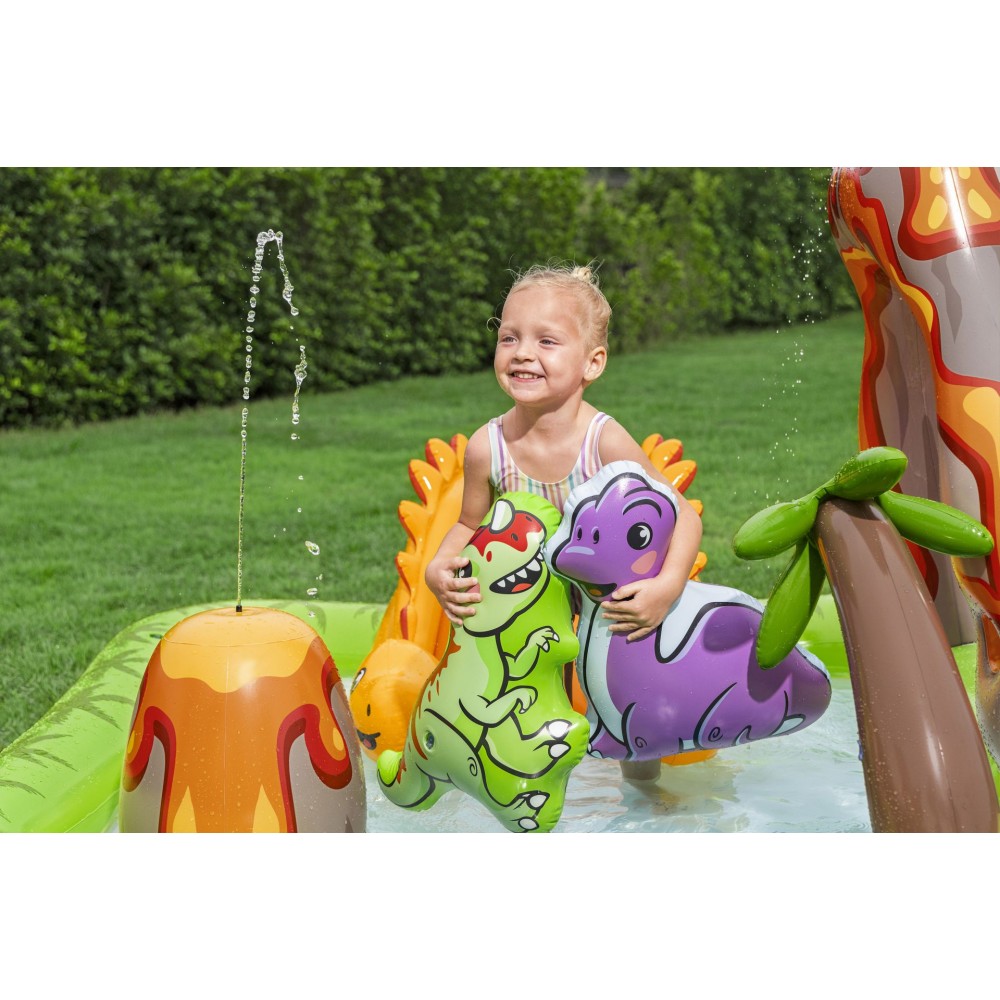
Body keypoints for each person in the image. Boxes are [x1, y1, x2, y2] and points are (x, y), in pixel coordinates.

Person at [425, 262, 703, 644]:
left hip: (608, 618)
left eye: (546, 341)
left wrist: (667, 587)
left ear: (592, 363)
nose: (522, 353)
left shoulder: (602, 441)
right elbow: (468, 525)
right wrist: (438, 566)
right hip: (531, 618)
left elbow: (682, 514)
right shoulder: (488, 446)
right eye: (509, 338)